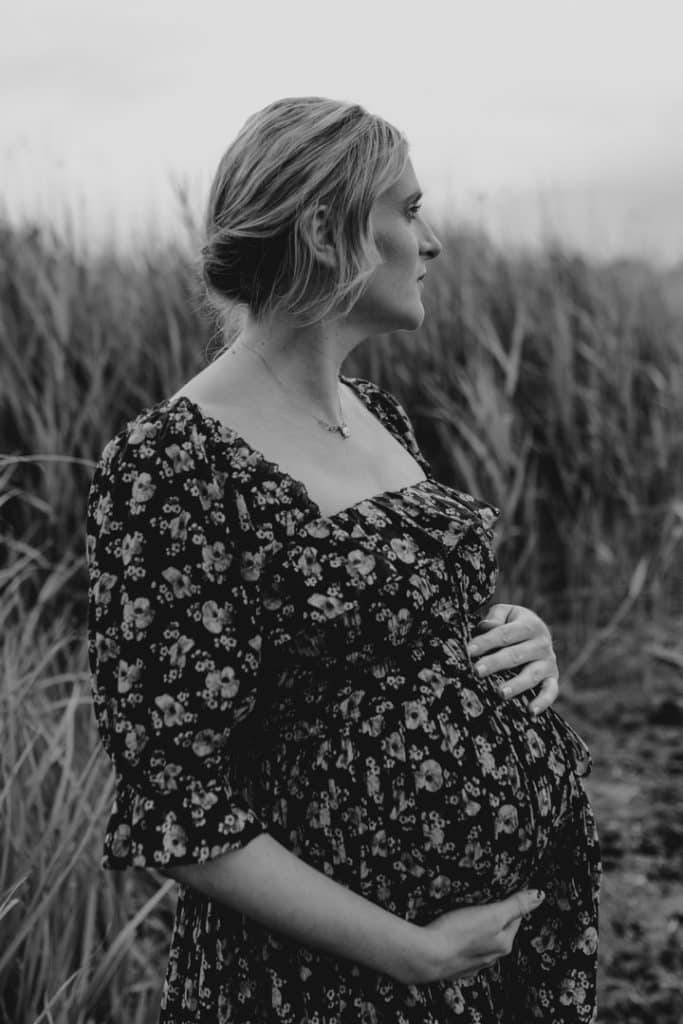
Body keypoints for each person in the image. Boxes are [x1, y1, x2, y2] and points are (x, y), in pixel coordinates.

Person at [86, 96, 600, 1024]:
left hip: (494, 958)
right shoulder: (174, 462)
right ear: (325, 228)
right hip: (328, 987)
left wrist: (518, 638)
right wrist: (406, 952)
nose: (431, 241)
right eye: (407, 210)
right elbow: (174, 797)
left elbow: (390, 634)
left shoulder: (378, 414)